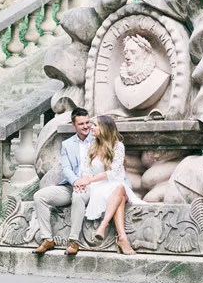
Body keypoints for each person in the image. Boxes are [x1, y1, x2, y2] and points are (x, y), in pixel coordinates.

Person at [31, 107, 93, 256]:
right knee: (39, 196)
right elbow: (66, 169)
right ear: (74, 126)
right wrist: (75, 181)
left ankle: (73, 241)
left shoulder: (97, 139)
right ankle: (47, 239)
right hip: (71, 185)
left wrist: (84, 182)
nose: (86, 126)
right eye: (81, 124)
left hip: (92, 185)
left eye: (87, 122)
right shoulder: (67, 144)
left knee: (78, 197)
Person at [80, 115, 145, 255]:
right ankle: (122, 239)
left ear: (104, 128)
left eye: (95, 125)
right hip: (97, 187)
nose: (91, 127)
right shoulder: (90, 147)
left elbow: (114, 172)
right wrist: (85, 181)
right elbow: (85, 170)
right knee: (120, 196)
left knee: (119, 188)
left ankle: (103, 227)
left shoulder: (118, 146)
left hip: (113, 183)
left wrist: (90, 180)